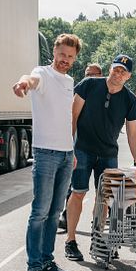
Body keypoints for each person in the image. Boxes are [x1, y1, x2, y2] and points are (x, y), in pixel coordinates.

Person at [13, 33, 82, 271]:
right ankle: (33, 270)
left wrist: (72, 151)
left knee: (54, 213)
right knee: (39, 213)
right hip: (45, 154)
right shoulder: (41, 73)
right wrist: (22, 85)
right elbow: (29, 80)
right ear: (55, 52)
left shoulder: (69, 81)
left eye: (70, 57)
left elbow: (66, 119)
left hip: (65, 155)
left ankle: (47, 261)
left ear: (75, 59)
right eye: (62, 54)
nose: (65, 60)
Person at [64, 54, 136, 261]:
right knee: (78, 193)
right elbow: (72, 116)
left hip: (108, 154)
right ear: (110, 68)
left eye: (123, 72)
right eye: (116, 69)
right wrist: (70, 148)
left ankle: (98, 239)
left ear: (128, 76)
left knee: (105, 199)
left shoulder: (129, 99)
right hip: (82, 149)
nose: (118, 74)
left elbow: (133, 134)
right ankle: (70, 241)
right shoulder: (89, 84)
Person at [57, 62, 104, 231]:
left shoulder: (105, 94)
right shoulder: (80, 91)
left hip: (101, 150)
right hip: (79, 146)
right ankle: (66, 217)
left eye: (93, 74)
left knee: (101, 189)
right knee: (75, 185)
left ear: (101, 76)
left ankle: (98, 224)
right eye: (87, 74)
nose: (89, 77)